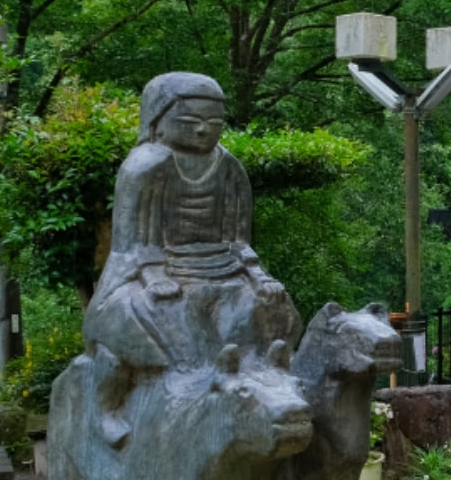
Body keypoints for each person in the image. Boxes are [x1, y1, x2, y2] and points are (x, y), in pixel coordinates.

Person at [86, 72, 301, 374]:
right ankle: (190, 382)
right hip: (157, 267)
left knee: (271, 307)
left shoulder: (229, 167)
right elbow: (133, 244)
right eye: (189, 122)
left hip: (223, 266)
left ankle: (260, 376)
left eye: (213, 123)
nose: (202, 130)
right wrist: (153, 274)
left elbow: (238, 239)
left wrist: (256, 273)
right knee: (161, 313)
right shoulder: (144, 165)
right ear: (157, 121)